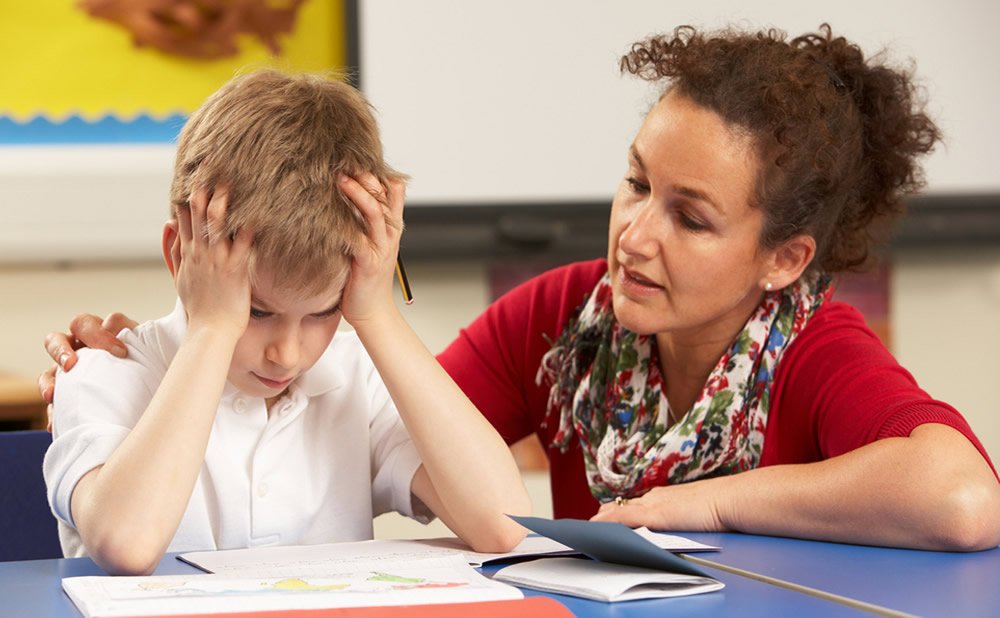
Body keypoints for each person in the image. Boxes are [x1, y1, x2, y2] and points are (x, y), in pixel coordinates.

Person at [41, 25, 1000, 552]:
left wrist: (712, 501)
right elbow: (421, 423)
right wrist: (206, 335)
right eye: (634, 184)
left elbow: (960, 497)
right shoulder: (562, 318)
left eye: (691, 217)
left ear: (783, 258)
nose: (635, 234)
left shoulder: (814, 348)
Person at [40, 69, 529, 576]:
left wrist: (376, 314)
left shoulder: (357, 378)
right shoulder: (101, 373)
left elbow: (503, 525)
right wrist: (212, 329)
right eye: (256, 311)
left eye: (323, 312)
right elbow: (128, 544)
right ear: (181, 254)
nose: (287, 354)